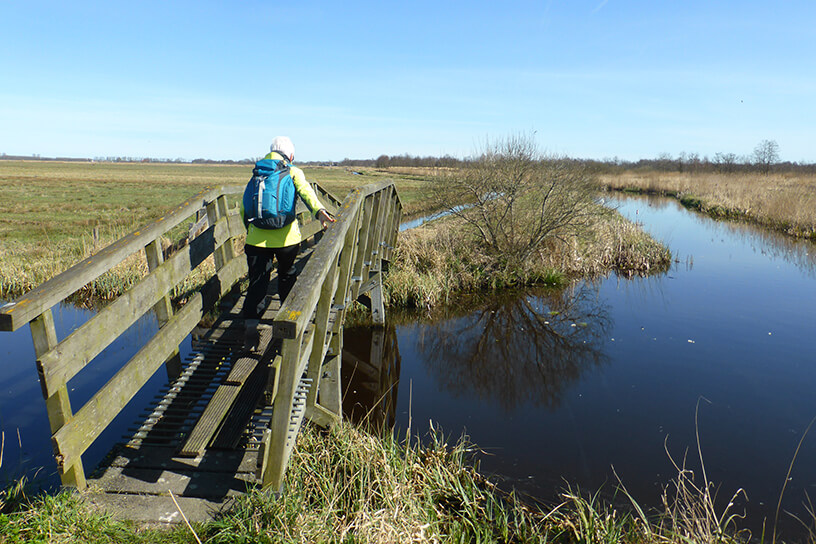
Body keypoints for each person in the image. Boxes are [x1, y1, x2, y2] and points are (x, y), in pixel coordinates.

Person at [241, 136, 335, 350]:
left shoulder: (257, 172)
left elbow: (245, 207)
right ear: (290, 156)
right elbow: (307, 193)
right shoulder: (293, 171)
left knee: (257, 281)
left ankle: (250, 330)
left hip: (256, 239)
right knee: (287, 276)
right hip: (287, 239)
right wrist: (320, 212)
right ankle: (288, 322)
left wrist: (251, 230)